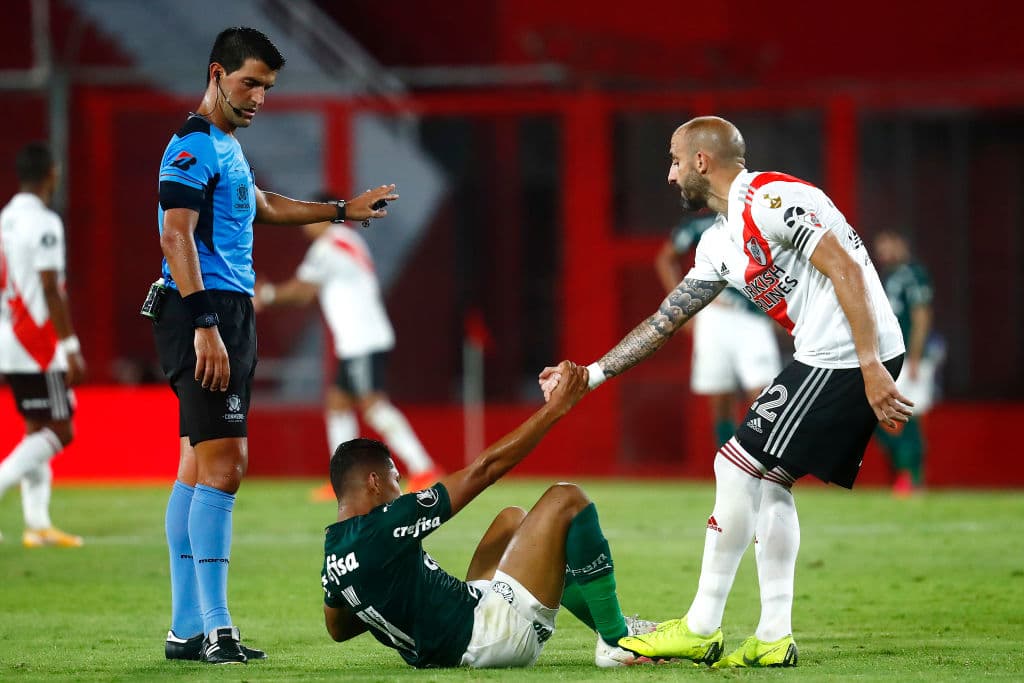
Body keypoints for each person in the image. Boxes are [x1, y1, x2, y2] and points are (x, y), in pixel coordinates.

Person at [539, 116, 911, 668]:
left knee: (736, 466)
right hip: (833, 354)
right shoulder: (718, 242)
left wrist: (870, 367)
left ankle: (701, 626)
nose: (668, 176)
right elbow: (663, 322)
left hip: (847, 353)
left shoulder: (772, 198)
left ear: (701, 162)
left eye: (672, 161)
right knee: (766, 479)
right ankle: (772, 636)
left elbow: (848, 272)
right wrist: (589, 375)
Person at [152, 27, 398, 665]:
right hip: (203, 311)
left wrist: (340, 210)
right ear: (216, 74)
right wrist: (205, 323)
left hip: (227, 311)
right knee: (226, 467)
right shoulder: (190, 146)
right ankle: (215, 629)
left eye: (267, 86)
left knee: (197, 467)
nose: (259, 96)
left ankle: (186, 630)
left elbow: (261, 205)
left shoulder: (227, 147)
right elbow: (176, 237)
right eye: (249, 83)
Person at [320, 361, 655, 669]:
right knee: (566, 498)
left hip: (452, 635)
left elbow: (338, 629)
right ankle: (616, 640)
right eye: (396, 479)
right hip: (487, 639)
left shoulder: (334, 556)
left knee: (511, 520)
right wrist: (555, 409)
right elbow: (485, 470)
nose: (402, 488)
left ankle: (612, 624)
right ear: (374, 482)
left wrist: (381, 591)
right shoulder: (387, 524)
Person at [254, 196, 443, 499]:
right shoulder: (347, 239)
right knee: (338, 403)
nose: (304, 226)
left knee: (373, 405)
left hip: (361, 339)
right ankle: (343, 480)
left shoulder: (328, 247)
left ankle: (424, 468)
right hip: (361, 338)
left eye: (308, 217)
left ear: (324, 215)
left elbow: (302, 293)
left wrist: (267, 295)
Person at [0, 142, 85, 549]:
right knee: (60, 429)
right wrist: (69, 345)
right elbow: (51, 287)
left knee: (35, 427)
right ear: (52, 172)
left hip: (10, 334)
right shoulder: (45, 222)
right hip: (38, 340)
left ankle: (37, 524)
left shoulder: (5, 219)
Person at [655, 213, 782, 448]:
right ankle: (728, 467)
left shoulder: (760, 217)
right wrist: (681, 309)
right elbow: (666, 258)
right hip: (715, 314)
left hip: (754, 317)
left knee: (765, 398)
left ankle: (764, 467)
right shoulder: (700, 226)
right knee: (721, 397)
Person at [873, 230, 936, 496]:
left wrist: (915, 356)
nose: (883, 252)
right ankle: (905, 472)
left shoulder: (914, 274)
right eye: (880, 248)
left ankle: (913, 478)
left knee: (911, 417)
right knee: (874, 415)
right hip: (889, 357)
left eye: (888, 245)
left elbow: (922, 316)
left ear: (901, 243)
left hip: (909, 358)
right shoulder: (886, 276)